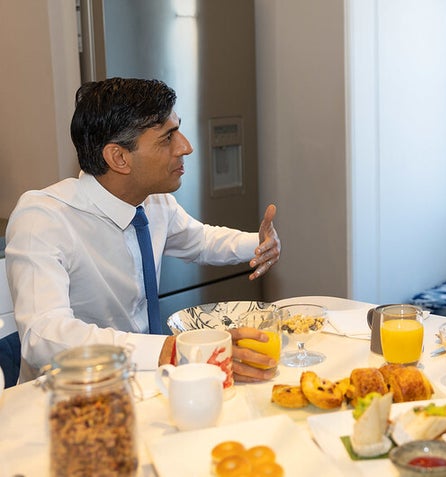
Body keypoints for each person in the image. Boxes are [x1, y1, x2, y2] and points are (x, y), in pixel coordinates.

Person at [5, 78, 282, 383]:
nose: (186, 147)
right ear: (119, 158)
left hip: (142, 383)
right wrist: (166, 349)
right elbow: (43, 336)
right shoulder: (43, 218)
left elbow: (199, 239)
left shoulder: (153, 201)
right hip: (67, 400)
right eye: (167, 138)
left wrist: (257, 243)